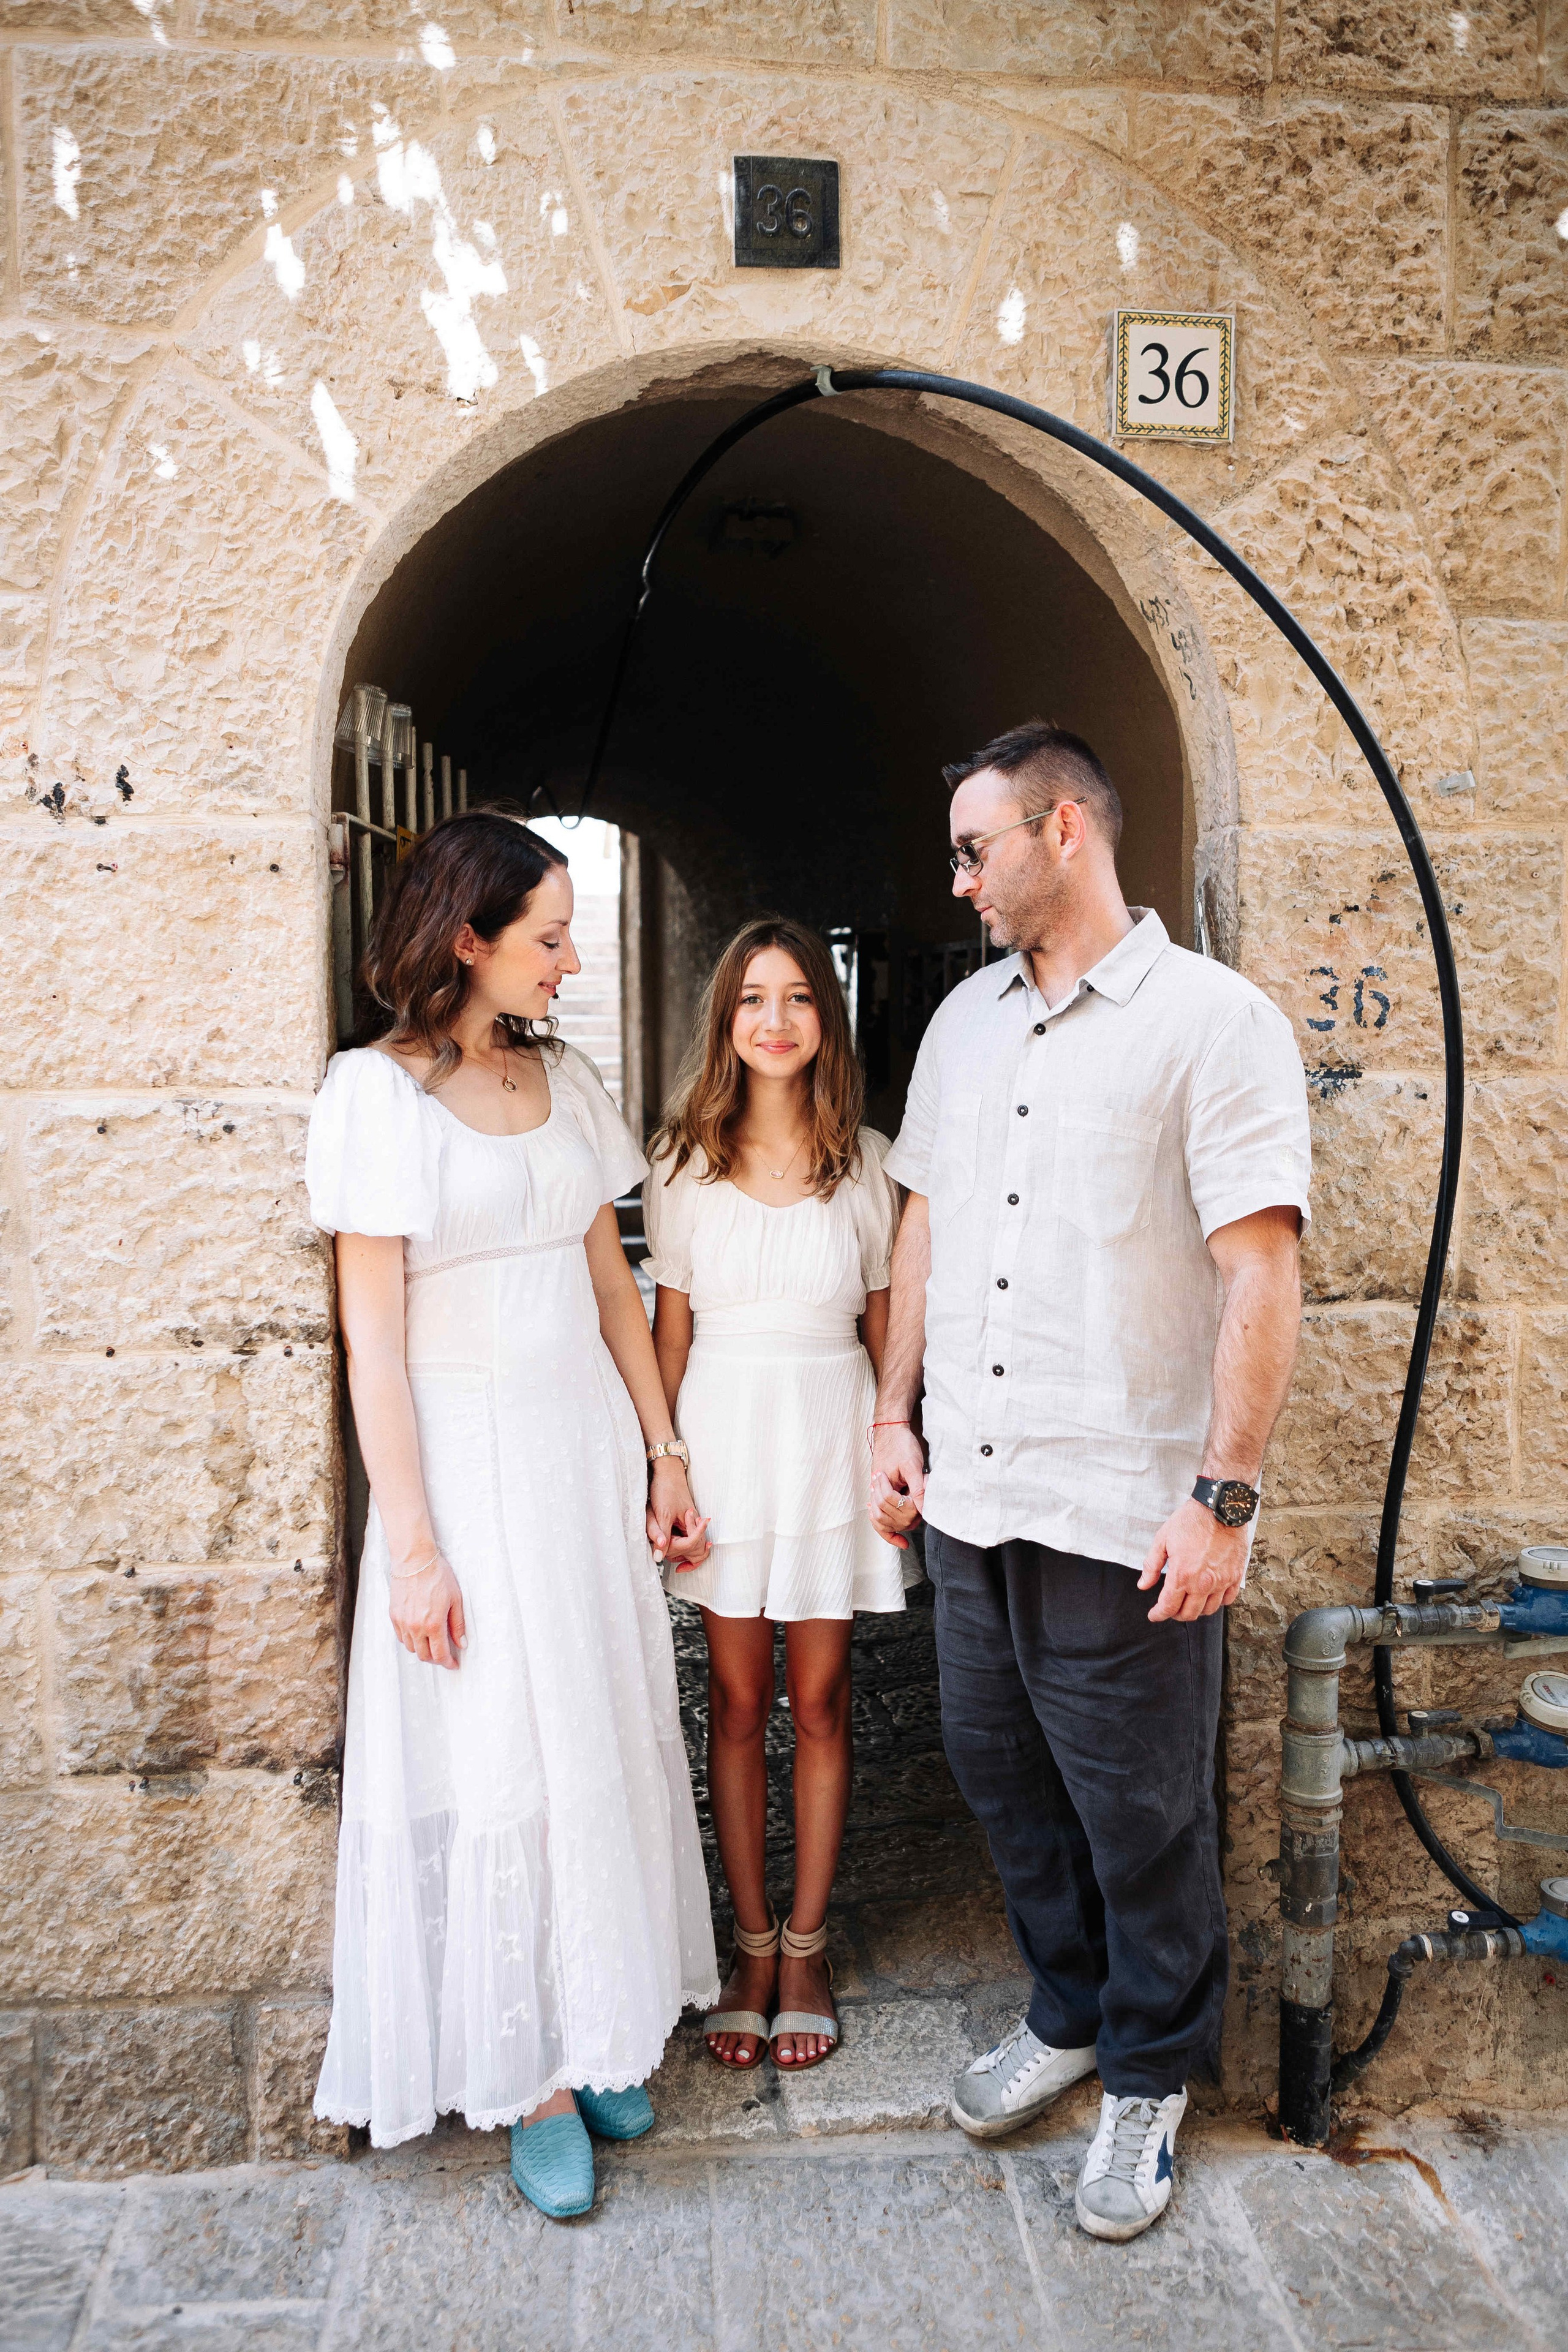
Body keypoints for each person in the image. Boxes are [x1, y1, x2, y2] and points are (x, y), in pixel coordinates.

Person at [872, 723, 1309, 2242]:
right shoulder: (961, 1025)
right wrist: (890, 1412)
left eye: (973, 847)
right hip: (973, 1493)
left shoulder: (1212, 1023)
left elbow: (1259, 1272)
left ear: (1064, 829)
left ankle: (1146, 2074)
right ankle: (1065, 2010)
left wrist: (1225, 1497)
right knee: (998, 1778)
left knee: (1142, 1813)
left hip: (1125, 1506)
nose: (959, 876)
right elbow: (918, 1229)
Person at [304, 809, 718, 2221]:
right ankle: (526, 2071)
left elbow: (612, 1281)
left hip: (580, 1454)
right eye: (549, 937)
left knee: (593, 1735)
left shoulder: (568, 1074)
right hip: (465, 1473)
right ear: (466, 940)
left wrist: (662, 1450)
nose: (569, 961)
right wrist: (409, 1545)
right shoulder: (374, 1097)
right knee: (498, 1755)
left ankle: (597, 2024)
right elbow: (373, 1337)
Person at [644, 918, 909, 2073]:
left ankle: (807, 1947)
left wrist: (901, 1446)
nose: (778, 1019)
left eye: (800, 997)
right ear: (726, 1022)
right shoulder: (679, 1163)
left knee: (826, 1699)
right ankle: (749, 1946)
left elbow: (890, 1330)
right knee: (737, 1703)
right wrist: (666, 1462)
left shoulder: (874, 1164)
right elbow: (669, 1332)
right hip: (724, 1440)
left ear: (826, 1019)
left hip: (827, 1440)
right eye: (755, 999)